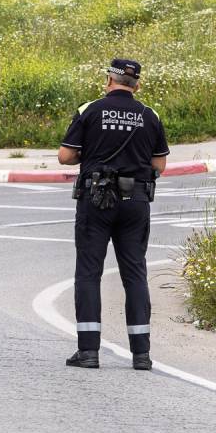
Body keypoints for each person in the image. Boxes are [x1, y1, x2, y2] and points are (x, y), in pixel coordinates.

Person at [58, 58, 169, 371]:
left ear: (110, 80)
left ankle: (89, 351)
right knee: (134, 273)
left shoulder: (90, 110)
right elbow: (159, 165)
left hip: (97, 199)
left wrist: (89, 153)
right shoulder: (150, 115)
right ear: (137, 85)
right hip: (135, 202)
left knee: (89, 272)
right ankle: (142, 355)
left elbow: (65, 155)